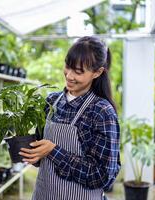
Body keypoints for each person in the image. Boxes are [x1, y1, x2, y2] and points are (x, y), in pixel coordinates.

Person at [19, 36, 120, 200]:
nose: (69, 76)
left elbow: (102, 176)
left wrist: (54, 151)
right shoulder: (52, 101)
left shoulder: (101, 112)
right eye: (68, 66)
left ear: (97, 72)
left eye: (79, 72)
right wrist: (34, 154)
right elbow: (40, 151)